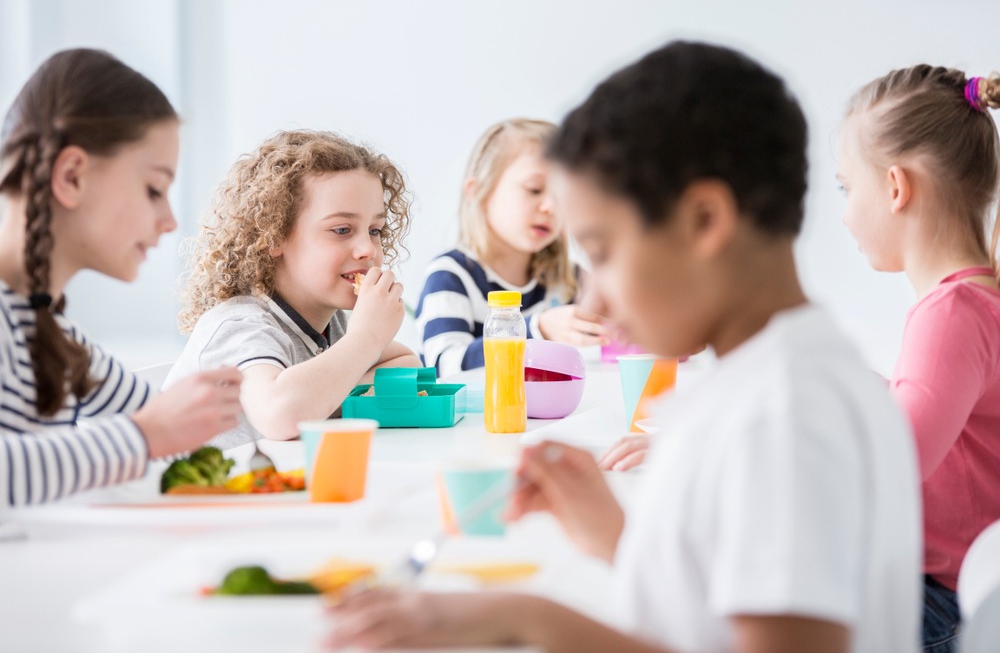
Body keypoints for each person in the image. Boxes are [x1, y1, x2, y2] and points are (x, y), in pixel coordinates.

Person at [327, 41, 922, 653]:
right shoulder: (787, 377)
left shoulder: (783, 414)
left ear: (704, 221)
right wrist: (618, 536)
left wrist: (529, 619)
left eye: (604, 252)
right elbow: (715, 611)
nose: (594, 303)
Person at [0, 49, 242, 508]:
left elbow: (157, 411)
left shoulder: (55, 337)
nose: (170, 220)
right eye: (154, 189)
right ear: (71, 176)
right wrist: (143, 437)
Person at [837, 66, 1000, 653]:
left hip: (936, 601)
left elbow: (884, 467)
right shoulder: (976, 299)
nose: (845, 212)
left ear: (895, 187)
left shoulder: (951, 314)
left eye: (845, 188)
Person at [165, 130, 419, 449]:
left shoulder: (335, 324)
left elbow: (408, 363)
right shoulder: (237, 327)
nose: (368, 249)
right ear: (273, 237)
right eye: (341, 230)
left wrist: (330, 393)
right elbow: (281, 416)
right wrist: (366, 339)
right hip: (200, 494)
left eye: (375, 230)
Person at [415, 118, 606, 377]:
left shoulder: (569, 279)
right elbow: (442, 367)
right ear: (478, 191)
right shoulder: (450, 276)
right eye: (534, 189)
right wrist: (535, 330)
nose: (551, 206)